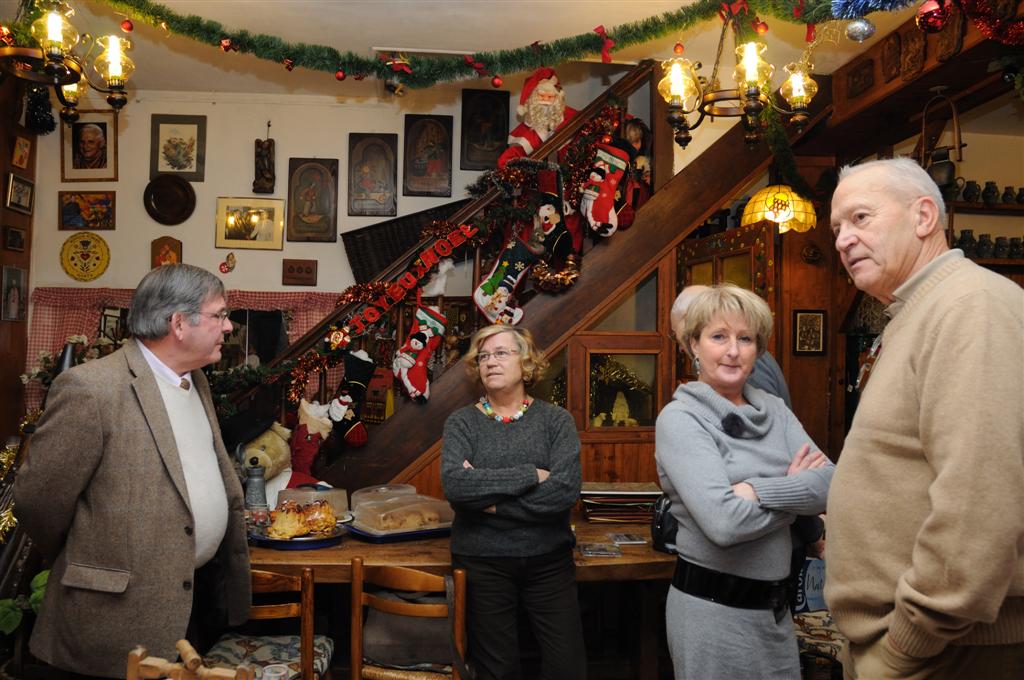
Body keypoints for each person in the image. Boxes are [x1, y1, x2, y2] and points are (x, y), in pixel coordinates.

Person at [826, 157, 1024, 679]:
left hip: (946, 651)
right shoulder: (918, 310)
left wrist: (904, 647)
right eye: (837, 228)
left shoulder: (969, 305)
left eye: (861, 218)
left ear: (923, 217)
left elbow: (979, 499)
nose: (844, 239)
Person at [15, 264, 251, 678]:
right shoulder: (92, 390)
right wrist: (90, 557)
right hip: (114, 617)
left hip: (187, 604)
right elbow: (39, 502)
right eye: (220, 315)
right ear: (179, 323)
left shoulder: (197, 380)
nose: (228, 326)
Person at [656, 284, 834, 679]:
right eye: (718, 337)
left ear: (759, 349)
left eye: (745, 338)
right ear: (694, 345)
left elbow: (831, 481)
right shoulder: (681, 419)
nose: (733, 350)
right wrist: (792, 490)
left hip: (775, 616)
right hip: (711, 615)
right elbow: (723, 523)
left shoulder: (774, 410)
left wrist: (756, 491)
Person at [441, 325, 586, 680]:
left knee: (568, 668)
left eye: (501, 353)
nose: (491, 362)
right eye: (484, 356)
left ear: (526, 362)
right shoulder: (462, 423)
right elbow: (457, 487)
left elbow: (564, 492)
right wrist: (531, 475)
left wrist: (492, 503)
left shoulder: (556, 421)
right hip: (482, 561)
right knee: (497, 671)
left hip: (549, 560)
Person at [498, 67, 578, 168]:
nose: (546, 100)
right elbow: (508, 159)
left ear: (557, 99)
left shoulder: (569, 118)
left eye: (550, 97)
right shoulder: (526, 130)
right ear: (534, 99)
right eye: (541, 96)